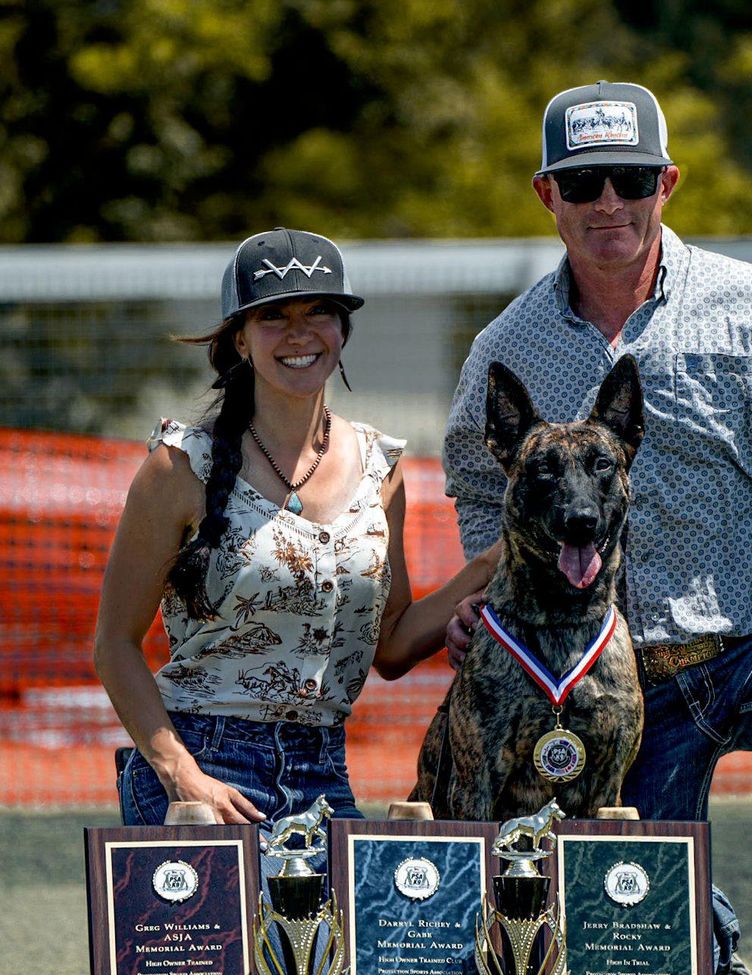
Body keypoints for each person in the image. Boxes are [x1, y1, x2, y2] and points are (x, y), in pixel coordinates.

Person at [443, 82, 752, 975]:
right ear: (548, 196)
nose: (609, 203)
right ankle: (716, 954)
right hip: (606, 678)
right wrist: (489, 597)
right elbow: (475, 481)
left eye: (629, 178)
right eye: (585, 184)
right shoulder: (507, 345)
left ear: (668, 182)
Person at [94, 227, 498, 832]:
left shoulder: (380, 469)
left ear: (343, 331)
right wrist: (182, 774)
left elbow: (389, 647)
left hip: (324, 775)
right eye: (274, 317)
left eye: (319, 312)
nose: (299, 333)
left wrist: (492, 567)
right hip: (203, 771)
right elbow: (114, 646)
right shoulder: (179, 467)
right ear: (240, 338)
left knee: (375, 927)